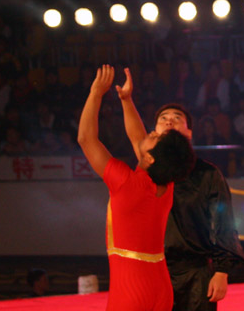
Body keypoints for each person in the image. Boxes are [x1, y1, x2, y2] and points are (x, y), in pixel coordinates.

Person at [115, 80, 244, 311]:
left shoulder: (207, 173)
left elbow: (224, 224)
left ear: (189, 131)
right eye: (163, 119)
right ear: (154, 132)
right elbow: (136, 136)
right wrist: (126, 100)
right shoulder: (151, 166)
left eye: (176, 118)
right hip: (155, 268)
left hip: (196, 271)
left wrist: (222, 270)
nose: (169, 121)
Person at [77, 66, 195, 311]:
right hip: (161, 286)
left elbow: (86, 139)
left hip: (131, 289)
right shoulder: (167, 182)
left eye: (153, 137)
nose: (150, 133)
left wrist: (96, 93)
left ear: (150, 158)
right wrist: (126, 100)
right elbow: (138, 139)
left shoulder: (126, 182)